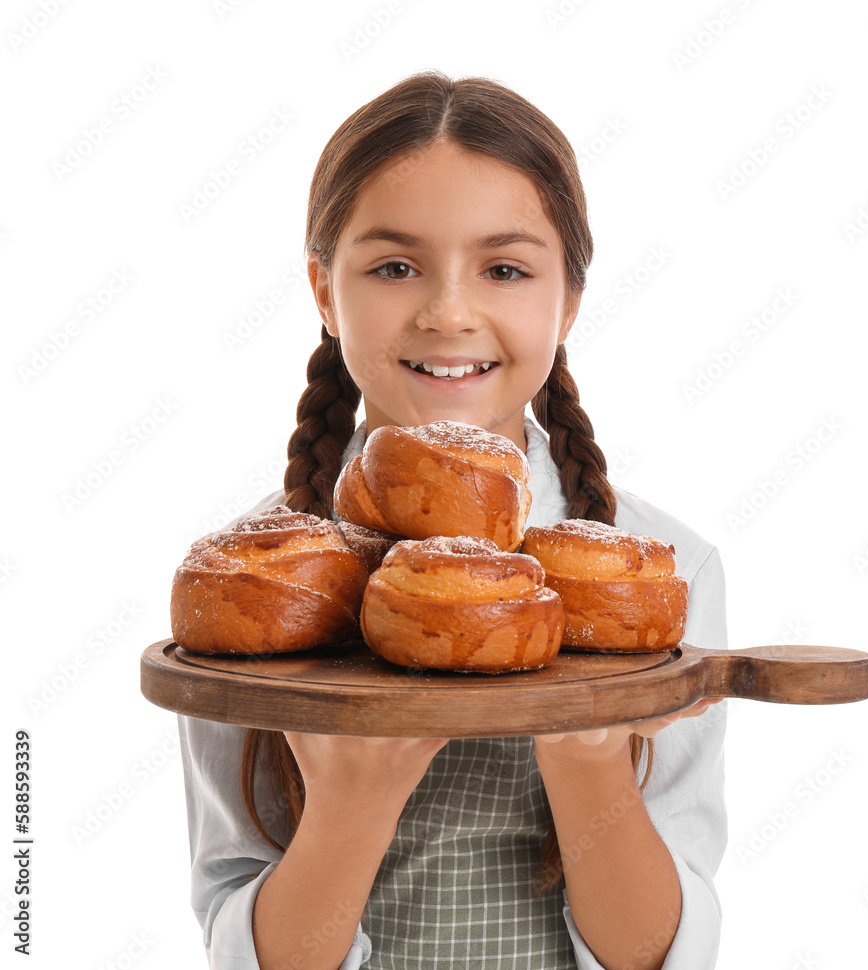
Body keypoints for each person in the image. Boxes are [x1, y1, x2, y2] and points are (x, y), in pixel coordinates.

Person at [177, 70, 728, 970]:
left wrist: (589, 756)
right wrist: (352, 806)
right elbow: (242, 942)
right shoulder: (252, 586)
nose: (448, 312)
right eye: (395, 267)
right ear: (323, 290)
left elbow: (657, 956)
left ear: (570, 302)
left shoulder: (658, 580)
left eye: (505, 269)